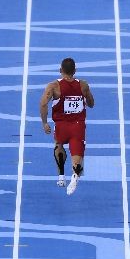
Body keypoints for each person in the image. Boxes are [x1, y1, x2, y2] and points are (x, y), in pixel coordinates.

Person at [40, 58, 94, 195]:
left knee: (58, 145)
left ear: (60, 71)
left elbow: (43, 104)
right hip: (78, 125)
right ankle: (75, 175)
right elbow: (91, 103)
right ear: (75, 71)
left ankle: (61, 176)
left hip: (61, 124)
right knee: (77, 154)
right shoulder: (83, 85)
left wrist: (45, 122)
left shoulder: (53, 86)